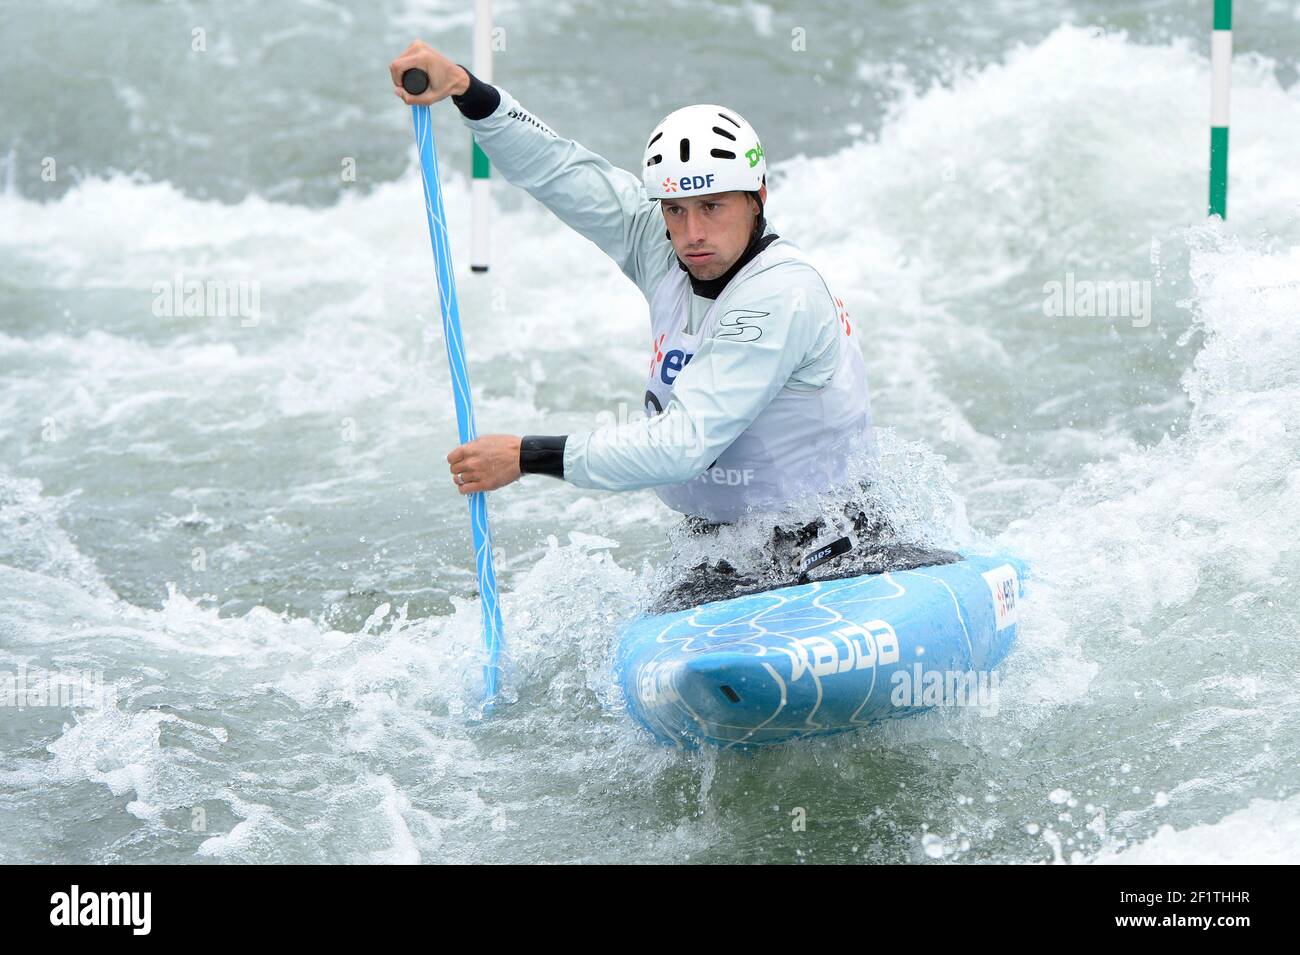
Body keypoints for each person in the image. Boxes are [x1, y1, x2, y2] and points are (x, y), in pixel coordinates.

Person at [388, 42, 953, 608]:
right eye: (675, 210)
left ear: (757, 199)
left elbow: (683, 446)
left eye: (712, 207)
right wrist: (467, 89)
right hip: (723, 550)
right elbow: (559, 170)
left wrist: (525, 455)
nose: (691, 234)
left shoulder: (779, 298)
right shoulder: (660, 246)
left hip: (837, 542)